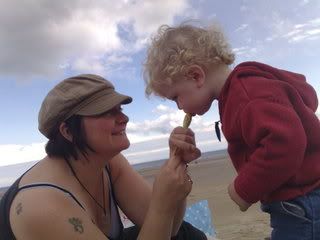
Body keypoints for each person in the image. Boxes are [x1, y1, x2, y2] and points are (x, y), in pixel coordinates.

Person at [143, 22, 320, 239]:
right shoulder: (242, 92)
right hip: (303, 199)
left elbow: (286, 143)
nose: (179, 107)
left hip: (301, 203)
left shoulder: (246, 95)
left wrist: (243, 188)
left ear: (196, 76)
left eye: (175, 97)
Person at [0, 74, 207, 240]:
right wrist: (162, 203)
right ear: (67, 131)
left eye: (120, 109)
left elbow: (170, 230)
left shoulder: (109, 162)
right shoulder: (41, 206)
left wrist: (176, 163)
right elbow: (160, 213)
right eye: (106, 112)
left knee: (187, 235)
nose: (124, 118)